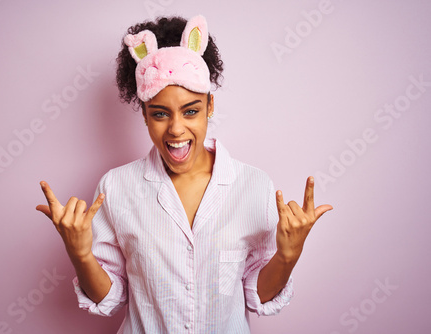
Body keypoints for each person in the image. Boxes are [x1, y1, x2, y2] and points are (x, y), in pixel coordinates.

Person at [36, 15, 332, 333]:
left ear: (210, 106)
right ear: (145, 116)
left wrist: (288, 255)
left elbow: (257, 297)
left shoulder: (253, 186)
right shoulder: (117, 187)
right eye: (160, 114)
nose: (176, 129)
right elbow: (110, 298)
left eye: (190, 110)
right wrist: (80, 253)